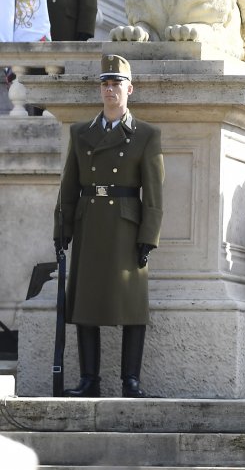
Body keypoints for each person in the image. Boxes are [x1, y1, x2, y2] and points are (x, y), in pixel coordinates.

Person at [53, 54, 165, 398]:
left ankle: (131, 380)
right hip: (90, 221)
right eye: (105, 83)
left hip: (126, 226)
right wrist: (62, 229)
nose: (110, 89)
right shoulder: (81, 132)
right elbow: (69, 185)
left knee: (132, 304)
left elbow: (154, 192)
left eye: (117, 83)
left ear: (129, 89)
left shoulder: (146, 134)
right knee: (85, 303)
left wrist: (149, 236)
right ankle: (90, 380)